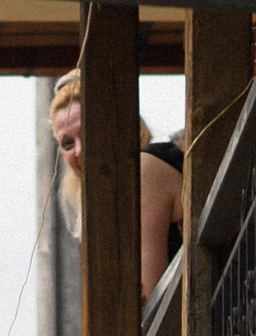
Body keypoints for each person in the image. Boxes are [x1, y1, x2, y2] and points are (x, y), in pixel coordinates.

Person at [47, 69, 184, 300]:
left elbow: (153, 300)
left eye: (87, 131)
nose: (79, 151)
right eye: (68, 144)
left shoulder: (144, 169)